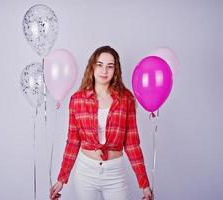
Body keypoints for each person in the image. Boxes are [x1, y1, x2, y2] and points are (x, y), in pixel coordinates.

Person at [50, 46, 153, 200]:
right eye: (100, 65)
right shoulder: (77, 100)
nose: (104, 71)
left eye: (110, 66)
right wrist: (61, 179)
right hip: (86, 172)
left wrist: (144, 184)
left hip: (114, 173)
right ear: (92, 66)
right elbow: (73, 141)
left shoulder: (126, 99)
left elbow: (132, 144)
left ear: (115, 70)